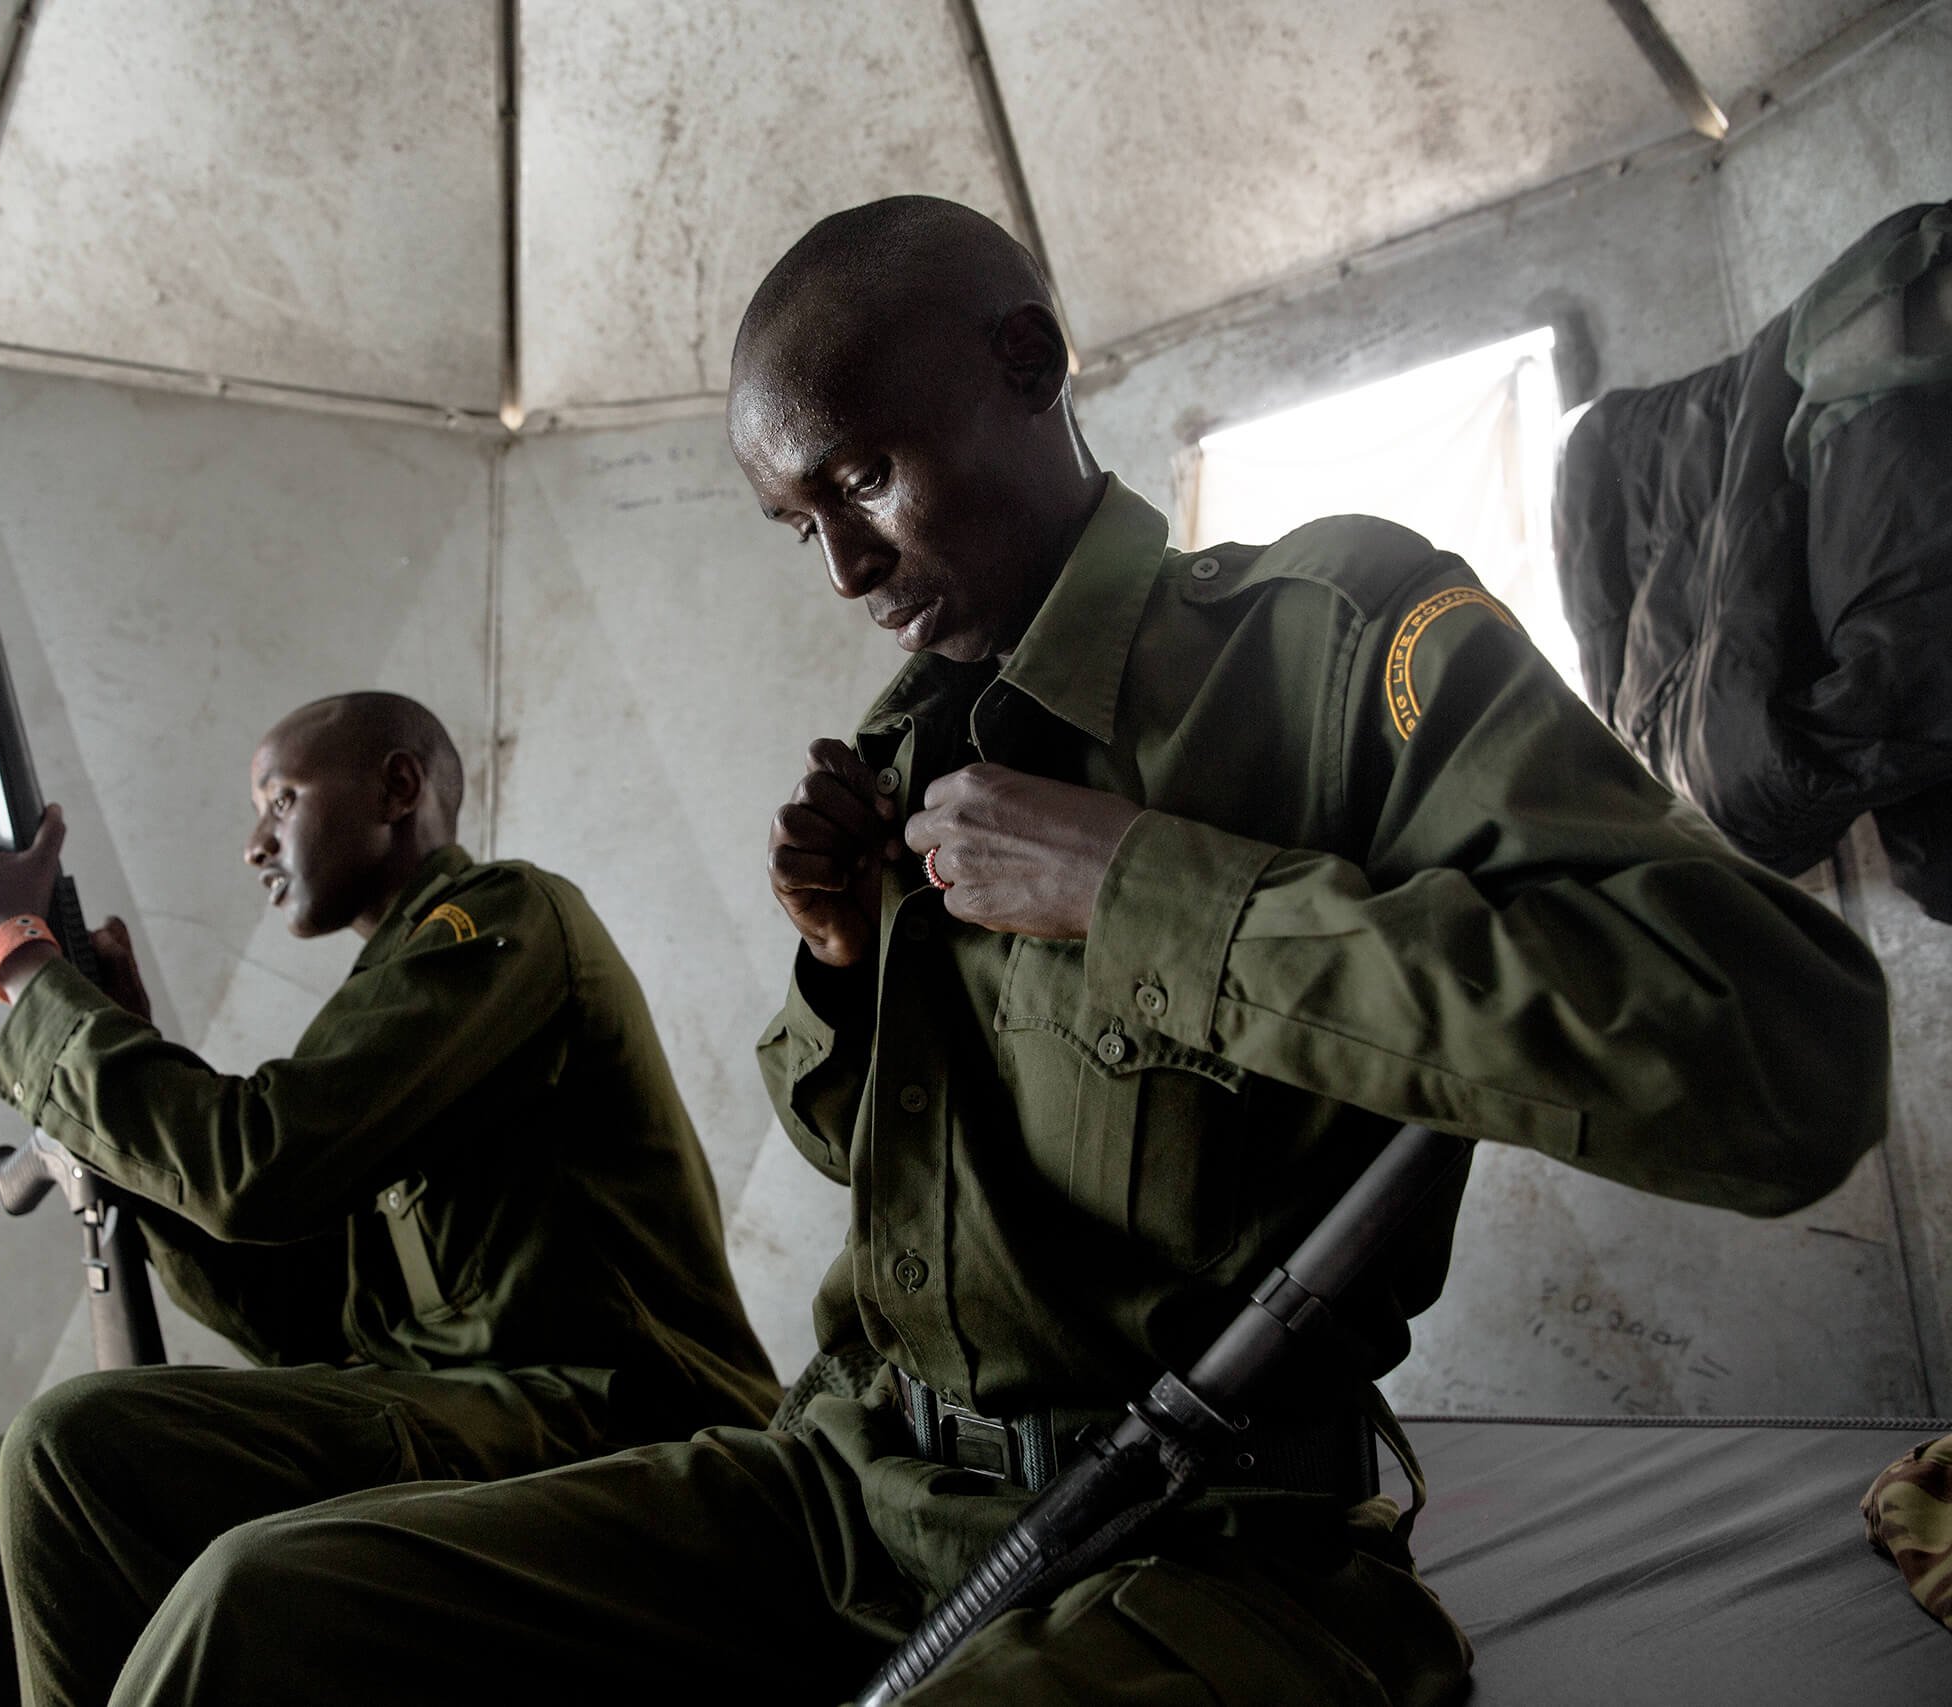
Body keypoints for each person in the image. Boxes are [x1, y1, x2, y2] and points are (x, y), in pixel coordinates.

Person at [93, 199, 1893, 1706]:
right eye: (800, 525)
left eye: (862, 476)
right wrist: (846, 966)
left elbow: (1782, 1068)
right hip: (848, 1481)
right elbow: (882, 1168)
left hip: (1197, 1533)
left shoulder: (1328, 637)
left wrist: (1147, 890)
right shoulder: (908, 750)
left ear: (1027, 368)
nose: (845, 569)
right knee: (261, 1613)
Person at [0, 691, 777, 1707]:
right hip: (486, 1410)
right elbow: (295, 1314)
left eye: (280, 800)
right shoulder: (393, 990)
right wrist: (131, 1118)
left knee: (83, 1449)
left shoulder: (499, 920)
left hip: (624, 1422)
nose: (254, 843)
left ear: (398, 787)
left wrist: (19, 960)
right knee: (7, 1490)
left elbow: (259, 1166)